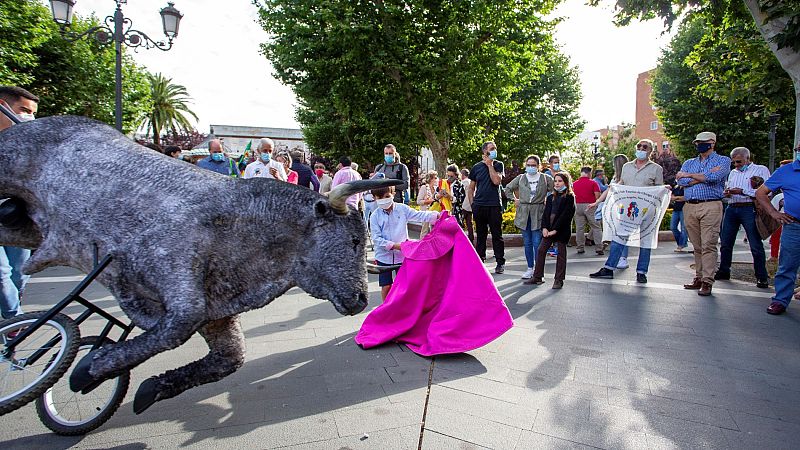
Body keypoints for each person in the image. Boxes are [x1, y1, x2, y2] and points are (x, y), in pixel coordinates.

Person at [590, 139, 664, 283]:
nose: (641, 149)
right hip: (628, 210)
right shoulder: (627, 167)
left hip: (646, 211)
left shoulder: (656, 169)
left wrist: (664, 191)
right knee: (619, 237)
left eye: (645, 147)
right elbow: (620, 184)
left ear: (650, 150)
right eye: (639, 146)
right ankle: (609, 268)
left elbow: (658, 189)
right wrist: (600, 200)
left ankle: (642, 272)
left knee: (645, 241)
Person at [676, 131, 731, 296]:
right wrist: (700, 177)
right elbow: (680, 180)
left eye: (702, 142)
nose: (698, 145)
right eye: (697, 142)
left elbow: (715, 177)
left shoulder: (723, 160)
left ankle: (707, 281)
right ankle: (699, 277)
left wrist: (690, 176)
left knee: (709, 244)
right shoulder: (689, 162)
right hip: (690, 206)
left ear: (712, 142)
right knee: (697, 245)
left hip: (711, 205)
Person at [0, 86, 39, 320]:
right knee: (2, 274)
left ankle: (9, 328)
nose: (29, 118)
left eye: (32, 112)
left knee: (19, 273)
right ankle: (16, 322)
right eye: (23, 110)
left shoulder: (25, 146)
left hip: (17, 219)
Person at [370, 185, 440, 300]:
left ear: (393, 194)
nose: (384, 199)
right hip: (383, 257)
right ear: (374, 198)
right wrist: (394, 246)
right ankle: (385, 309)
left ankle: (402, 308)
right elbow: (376, 238)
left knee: (403, 285)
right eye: (380, 197)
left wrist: (437, 215)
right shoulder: (375, 216)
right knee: (386, 286)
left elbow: (419, 215)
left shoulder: (402, 209)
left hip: (402, 256)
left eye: (387, 196)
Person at [715, 147, 771, 288]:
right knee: (726, 242)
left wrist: (743, 191)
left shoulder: (759, 170)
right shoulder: (733, 173)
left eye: (739, 161)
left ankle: (761, 276)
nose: (736, 165)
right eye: (734, 162)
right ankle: (724, 270)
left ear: (747, 158)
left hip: (749, 207)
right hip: (732, 207)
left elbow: (766, 191)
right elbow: (729, 188)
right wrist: (727, 193)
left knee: (755, 244)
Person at [755, 143, 800, 315]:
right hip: (794, 225)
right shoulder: (785, 171)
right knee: (787, 265)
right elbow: (761, 193)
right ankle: (780, 301)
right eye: (798, 150)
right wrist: (774, 213)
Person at [504, 155, 554, 279]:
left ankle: (538, 269)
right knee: (527, 242)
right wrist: (514, 199)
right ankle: (530, 267)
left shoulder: (545, 178)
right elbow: (508, 188)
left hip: (538, 211)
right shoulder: (521, 178)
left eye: (534, 165)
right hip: (524, 213)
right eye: (529, 165)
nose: (531, 167)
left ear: (538, 166)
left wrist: (549, 199)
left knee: (537, 242)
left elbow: (555, 190)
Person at [527, 172, 576, 289]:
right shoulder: (550, 197)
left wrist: (555, 230)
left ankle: (559, 280)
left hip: (561, 230)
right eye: (556, 181)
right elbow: (546, 214)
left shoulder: (569, 197)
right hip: (548, 229)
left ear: (566, 183)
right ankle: (537, 276)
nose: (557, 183)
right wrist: (544, 228)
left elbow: (566, 216)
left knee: (561, 254)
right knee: (541, 250)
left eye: (560, 181)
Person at [468, 141, 506, 273]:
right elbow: (471, 188)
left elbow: (496, 181)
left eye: (495, 148)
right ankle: (480, 261)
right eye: (491, 149)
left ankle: (500, 262)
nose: (494, 150)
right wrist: (473, 204)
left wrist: (490, 165)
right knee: (481, 235)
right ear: (485, 151)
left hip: (494, 205)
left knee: (497, 235)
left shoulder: (498, 165)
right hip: (479, 206)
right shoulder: (476, 167)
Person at [572, 166, 603, 255]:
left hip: (577, 206)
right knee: (596, 227)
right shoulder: (593, 183)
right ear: (589, 173)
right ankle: (599, 248)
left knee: (579, 228)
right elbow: (597, 196)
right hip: (590, 206)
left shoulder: (574, 184)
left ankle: (580, 248)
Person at [417, 170, 449, 238]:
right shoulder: (424, 187)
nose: (436, 179)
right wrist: (429, 201)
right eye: (435, 177)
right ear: (430, 179)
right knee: (425, 231)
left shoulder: (436, 188)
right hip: (425, 212)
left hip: (434, 212)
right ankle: (422, 246)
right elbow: (418, 201)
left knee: (433, 231)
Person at [670, 182, 689, 252]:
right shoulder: (676, 187)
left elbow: (686, 198)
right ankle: (681, 243)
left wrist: (676, 197)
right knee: (672, 227)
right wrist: (678, 198)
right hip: (676, 209)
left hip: (684, 209)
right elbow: (671, 197)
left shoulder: (687, 187)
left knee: (683, 228)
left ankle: (681, 245)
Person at [460, 168, 475, 244]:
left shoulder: (463, 182)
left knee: (460, 223)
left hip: (464, 206)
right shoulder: (471, 182)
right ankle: (471, 240)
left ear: (462, 175)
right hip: (470, 205)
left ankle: (460, 240)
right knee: (470, 224)